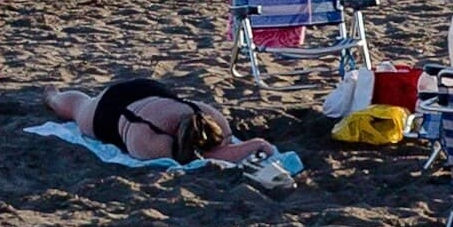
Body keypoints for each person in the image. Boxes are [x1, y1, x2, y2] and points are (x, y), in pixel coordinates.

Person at [43, 77, 277, 169]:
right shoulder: (150, 140)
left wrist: (257, 144)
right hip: (112, 109)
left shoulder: (208, 114)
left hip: (151, 91)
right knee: (76, 108)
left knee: (79, 104)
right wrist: (255, 144)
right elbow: (204, 160)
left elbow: (222, 148)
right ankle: (52, 96)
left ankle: (55, 95)